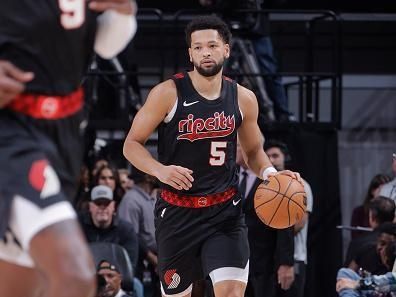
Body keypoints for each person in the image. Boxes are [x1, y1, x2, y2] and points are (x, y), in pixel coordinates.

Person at [123, 15, 301, 297]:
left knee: (231, 292)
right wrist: (159, 170)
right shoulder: (167, 94)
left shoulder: (243, 98)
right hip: (177, 213)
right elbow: (131, 144)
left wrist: (271, 175)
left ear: (226, 49)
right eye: (198, 47)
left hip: (224, 212)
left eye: (212, 45)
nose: (205, 52)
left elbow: (254, 151)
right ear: (190, 53)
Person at [0, 1, 137, 297]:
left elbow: (105, 45)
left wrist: (124, 12)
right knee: (73, 276)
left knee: (23, 287)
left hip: (64, 131)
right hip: (12, 129)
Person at [236, 143, 295, 297]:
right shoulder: (226, 175)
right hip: (231, 258)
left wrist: (286, 262)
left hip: (264, 262)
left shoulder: (272, 177)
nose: (233, 149)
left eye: (237, 146)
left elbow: (285, 222)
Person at [264, 140, 313, 297]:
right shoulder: (262, 187)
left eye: (275, 155)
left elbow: (299, 223)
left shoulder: (300, 185)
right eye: (267, 156)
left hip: (294, 257)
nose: (271, 160)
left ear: (285, 157)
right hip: (266, 259)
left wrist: (269, 227)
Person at [118, 169, 160, 297]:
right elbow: (131, 236)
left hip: (159, 259)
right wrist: (154, 260)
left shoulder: (152, 197)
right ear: (148, 176)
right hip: (142, 262)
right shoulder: (131, 199)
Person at [79, 185, 139, 271]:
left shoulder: (126, 230)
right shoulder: (78, 227)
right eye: (98, 203)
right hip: (86, 277)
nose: (102, 207)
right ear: (90, 206)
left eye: (106, 203)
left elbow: (130, 266)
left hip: (117, 278)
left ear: (113, 206)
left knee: (137, 284)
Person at [345, 199, 396, 275]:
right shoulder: (365, 249)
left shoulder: (358, 243)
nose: (380, 248)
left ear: (372, 216)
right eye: (381, 243)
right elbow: (345, 276)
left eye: (386, 244)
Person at [351, 174, 391, 239]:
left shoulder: (391, 211)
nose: (386, 194)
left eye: (389, 191)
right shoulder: (359, 212)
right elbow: (355, 238)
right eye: (383, 190)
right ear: (372, 191)